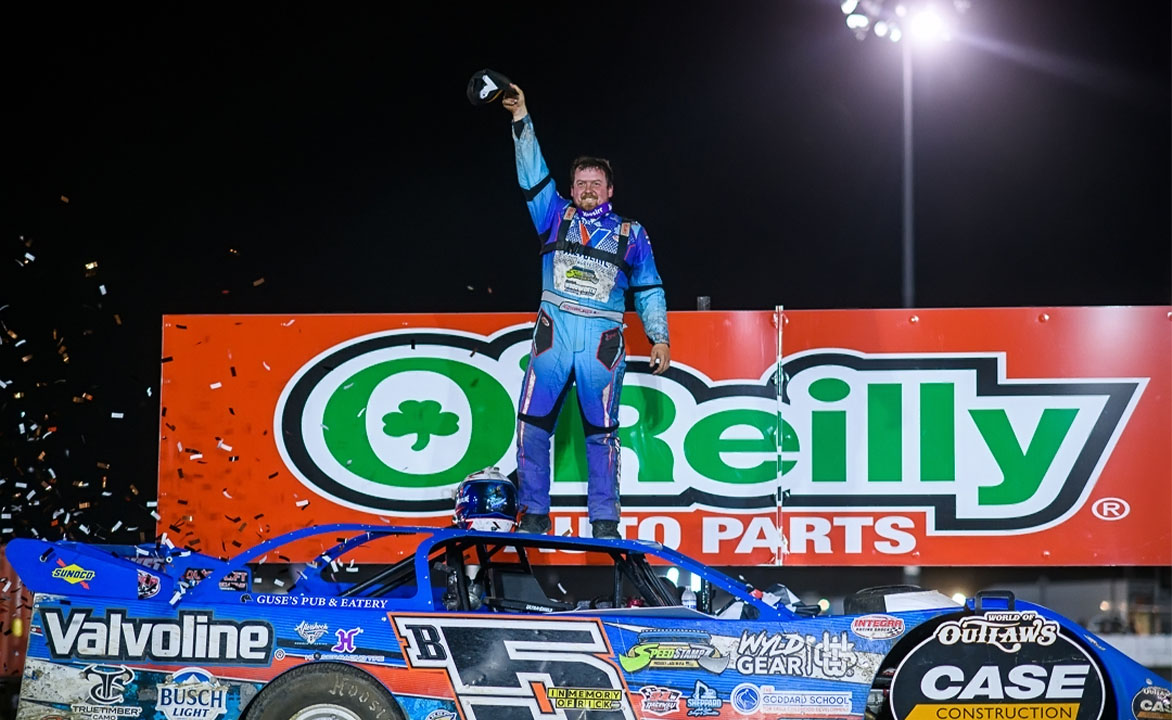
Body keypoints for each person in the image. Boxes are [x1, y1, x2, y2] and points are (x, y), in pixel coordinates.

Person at [502, 84, 670, 540]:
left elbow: (649, 287)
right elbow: (532, 175)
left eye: (597, 183)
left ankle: (605, 522)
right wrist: (521, 118)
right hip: (554, 333)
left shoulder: (631, 234)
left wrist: (659, 336)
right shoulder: (553, 215)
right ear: (571, 188)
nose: (589, 190)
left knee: (603, 432)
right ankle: (534, 513)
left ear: (610, 189)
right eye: (581, 184)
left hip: (602, 342)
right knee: (532, 424)